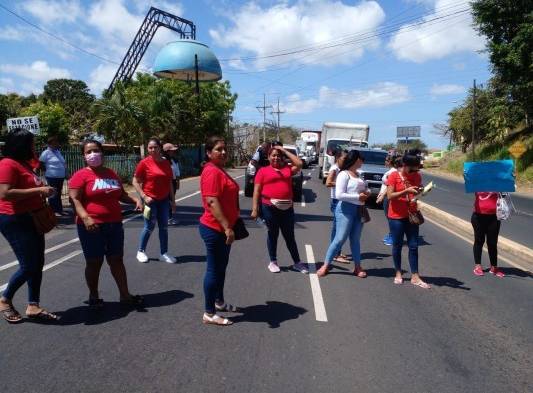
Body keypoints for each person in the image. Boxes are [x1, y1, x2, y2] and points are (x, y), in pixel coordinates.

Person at [69, 139, 144, 307]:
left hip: (114, 224)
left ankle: (125, 295)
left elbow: (120, 195)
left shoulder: (111, 173)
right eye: (88, 152)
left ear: (102, 152)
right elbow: (74, 199)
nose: (92, 154)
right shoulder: (80, 176)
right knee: (94, 262)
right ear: (84, 156)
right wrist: (86, 218)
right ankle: (94, 297)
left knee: (116, 259)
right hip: (92, 226)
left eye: (95, 150)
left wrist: (134, 200)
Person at [0, 128, 59, 323]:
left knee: (38, 262)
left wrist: (41, 190)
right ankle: (5, 299)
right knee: (29, 265)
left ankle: (33, 305)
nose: (34, 147)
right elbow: (5, 193)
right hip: (15, 219)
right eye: (31, 144)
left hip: (34, 217)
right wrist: (38, 189)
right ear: (22, 145)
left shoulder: (24, 164)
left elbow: (29, 184)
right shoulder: (7, 164)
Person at [199, 136, 241, 326]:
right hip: (215, 229)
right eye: (218, 149)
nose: (223, 152)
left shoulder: (219, 170)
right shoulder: (211, 172)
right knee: (214, 270)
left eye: (224, 149)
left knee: (221, 269)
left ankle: (219, 302)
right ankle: (209, 312)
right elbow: (211, 201)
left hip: (224, 229)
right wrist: (226, 228)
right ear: (209, 153)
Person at [251, 145, 308, 274]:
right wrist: (255, 209)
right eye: (273, 155)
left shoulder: (287, 169)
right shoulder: (263, 171)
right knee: (273, 234)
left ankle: (297, 262)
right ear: (268, 157)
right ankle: (273, 262)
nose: (276, 157)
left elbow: (299, 163)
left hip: (287, 208)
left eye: (278, 155)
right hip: (269, 207)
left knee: (289, 236)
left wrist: (284, 150)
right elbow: (256, 191)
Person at [317, 149, 370, 278]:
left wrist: (366, 192)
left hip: (359, 210)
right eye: (361, 158)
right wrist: (358, 197)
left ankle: (357, 267)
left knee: (355, 240)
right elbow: (339, 195)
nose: (362, 160)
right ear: (356, 159)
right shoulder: (343, 174)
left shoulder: (358, 174)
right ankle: (325, 265)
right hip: (345, 210)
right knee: (340, 238)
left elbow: (363, 188)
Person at [386, 152, 430, 288]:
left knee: (413, 245)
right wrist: (405, 192)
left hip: (411, 214)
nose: (414, 172)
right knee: (397, 245)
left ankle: (415, 276)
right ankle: (398, 272)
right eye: (412, 169)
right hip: (396, 216)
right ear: (404, 166)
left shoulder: (417, 176)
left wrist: (422, 190)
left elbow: (417, 190)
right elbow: (389, 196)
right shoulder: (393, 176)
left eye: (416, 169)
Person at [133, 137, 176, 264]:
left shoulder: (166, 163)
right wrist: (144, 196)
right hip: (150, 201)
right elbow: (135, 181)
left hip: (163, 201)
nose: (152, 150)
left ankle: (164, 253)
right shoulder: (144, 163)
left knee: (164, 227)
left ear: (160, 148)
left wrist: (173, 201)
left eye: (155, 147)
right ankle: (141, 251)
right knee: (149, 226)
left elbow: (169, 183)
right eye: (150, 148)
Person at [325, 149, 350, 263]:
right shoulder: (334, 169)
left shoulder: (341, 169)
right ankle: (335, 254)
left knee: (338, 227)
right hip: (336, 201)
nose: (346, 161)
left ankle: (337, 251)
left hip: (340, 200)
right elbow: (328, 183)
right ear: (337, 158)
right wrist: (341, 183)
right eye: (344, 159)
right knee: (337, 228)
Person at [471, 192, 504, 277]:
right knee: (479, 241)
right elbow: (468, 180)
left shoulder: (497, 182)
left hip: (494, 217)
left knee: (492, 243)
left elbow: (504, 192)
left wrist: (511, 179)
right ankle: (478, 266)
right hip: (478, 216)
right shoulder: (478, 181)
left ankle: (494, 267)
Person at [376, 154, 402, 246]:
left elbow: (389, 186)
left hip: (389, 196)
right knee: (389, 218)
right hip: (386, 196)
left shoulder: (393, 172)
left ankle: (394, 237)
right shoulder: (390, 171)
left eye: (387, 160)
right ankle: (392, 234)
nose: (385, 162)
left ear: (391, 162)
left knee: (391, 218)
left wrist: (382, 195)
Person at [39, 136, 67, 217]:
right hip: (51, 176)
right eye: (55, 143)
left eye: (57, 142)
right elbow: (40, 163)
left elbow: (63, 163)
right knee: (52, 194)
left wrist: (66, 172)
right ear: (50, 144)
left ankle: (59, 210)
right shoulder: (46, 153)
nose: (57, 144)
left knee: (58, 194)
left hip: (60, 177)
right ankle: (53, 211)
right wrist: (45, 172)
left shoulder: (58, 152)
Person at [162, 143, 181, 226]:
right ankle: (168, 218)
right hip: (165, 182)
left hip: (172, 182)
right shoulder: (162, 160)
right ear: (167, 151)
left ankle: (169, 218)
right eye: (171, 150)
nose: (173, 152)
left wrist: (178, 182)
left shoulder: (174, 160)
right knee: (167, 200)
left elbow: (177, 172)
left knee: (170, 200)